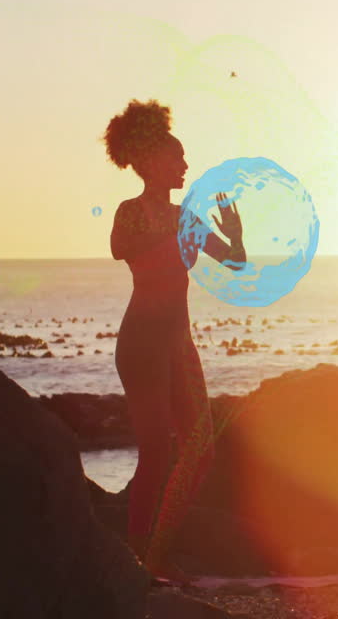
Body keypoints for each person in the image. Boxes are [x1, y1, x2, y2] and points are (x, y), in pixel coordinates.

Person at [102, 99, 246, 579]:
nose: (185, 165)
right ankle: (139, 559)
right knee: (157, 451)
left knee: (201, 445)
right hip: (143, 341)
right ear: (147, 160)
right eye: (176, 156)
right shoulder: (131, 211)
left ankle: (157, 554)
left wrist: (234, 232)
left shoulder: (185, 217)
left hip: (177, 342)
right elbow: (121, 248)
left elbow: (236, 261)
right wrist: (178, 235)